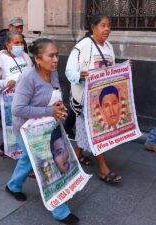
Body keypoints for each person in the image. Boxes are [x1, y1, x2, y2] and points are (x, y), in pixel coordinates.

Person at [5, 38, 79, 224]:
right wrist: (49, 111)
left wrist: (59, 107)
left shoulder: (53, 73)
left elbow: (54, 95)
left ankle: (13, 186)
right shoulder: (28, 78)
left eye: (57, 55)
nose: (56, 59)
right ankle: (60, 211)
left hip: (48, 127)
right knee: (48, 165)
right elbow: (17, 109)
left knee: (27, 159)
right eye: (51, 55)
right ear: (38, 59)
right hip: (26, 130)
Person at [65, 13, 122, 184]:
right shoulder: (82, 46)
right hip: (85, 100)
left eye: (109, 25)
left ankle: (78, 154)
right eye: (103, 25)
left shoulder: (109, 47)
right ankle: (103, 169)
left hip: (102, 99)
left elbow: (108, 69)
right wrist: (79, 76)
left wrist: (122, 67)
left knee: (89, 131)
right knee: (95, 132)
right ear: (93, 27)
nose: (107, 29)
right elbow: (69, 71)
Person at [0, 30, 33, 156]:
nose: (20, 45)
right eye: (16, 43)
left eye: (21, 42)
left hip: (27, 100)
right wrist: (5, 83)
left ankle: (8, 149)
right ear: (7, 44)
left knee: (25, 128)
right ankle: (18, 154)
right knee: (14, 129)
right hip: (9, 103)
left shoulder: (25, 57)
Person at [0, 16, 28, 130]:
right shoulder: (1, 40)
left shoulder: (22, 40)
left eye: (21, 27)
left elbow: (24, 56)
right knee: (2, 102)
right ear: (10, 27)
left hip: (19, 82)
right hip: (5, 80)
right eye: (17, 27)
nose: (19, 30)